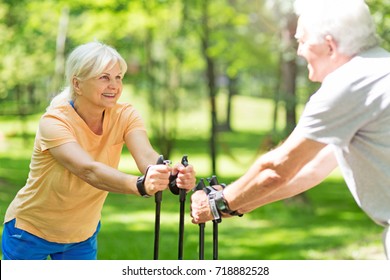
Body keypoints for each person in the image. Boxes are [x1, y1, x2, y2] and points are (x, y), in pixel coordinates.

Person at [191, 0, 390, 259]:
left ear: (329, 45)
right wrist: (233, 203)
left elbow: (277, 168)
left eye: (303, 41)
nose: (298, 51)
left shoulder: (347, 85)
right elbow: (310, 169)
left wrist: (218, 203)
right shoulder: (378, 70)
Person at [1, 41, 196, 260]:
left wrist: (170, 175)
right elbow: (88, 170)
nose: (114, 85)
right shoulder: (54, 121)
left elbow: (148, 156)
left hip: (82, 235)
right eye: (104, 77)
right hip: (29, 233)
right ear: (77, 84)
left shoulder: (125, 115)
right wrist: (140, 185)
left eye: (118, 77)